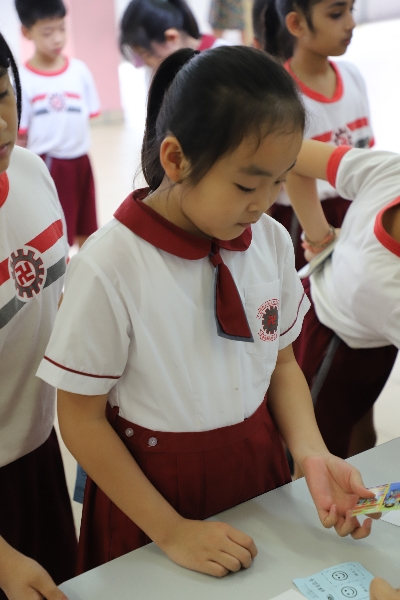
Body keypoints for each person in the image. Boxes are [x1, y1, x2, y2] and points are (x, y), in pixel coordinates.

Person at [38, 46, 376, 577]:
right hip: (154, 494)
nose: (263, 203)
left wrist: (313, 454)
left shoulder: (269, 240)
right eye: (246, 184)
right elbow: (80, 419)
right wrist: (172, 531)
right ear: (176, 159)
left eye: (280, 180)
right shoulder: (110, 265)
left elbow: (282, 364)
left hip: (256, 464)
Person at [0, 32, 75, 599]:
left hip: (38, 448)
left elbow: (56, 295)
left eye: (2, 95)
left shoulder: (28, 169)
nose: (1, 123)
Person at [284, 139, 400, 459]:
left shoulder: (391, 171)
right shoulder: (385, 288)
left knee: (360, 432)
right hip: (330, 342)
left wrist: (320, 237)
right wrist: (322, 238)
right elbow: (289, 153)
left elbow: (294, 154)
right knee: (317, 455)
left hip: (368, 334)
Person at [264, 0, 374, 270]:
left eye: (351, 10)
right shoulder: (280, 96)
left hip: (355, 209)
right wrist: (320, 238)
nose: (351, 23)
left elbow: (365, 158)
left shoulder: (352, 76)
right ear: (296, 24)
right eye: (336, 14)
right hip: (304, 222)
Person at [15, 0, 100, 248]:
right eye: (47, 32)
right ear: (26, 32)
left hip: (82, 161)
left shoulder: (80, 71)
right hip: (50, 165)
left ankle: (88, 266)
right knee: (57, 232)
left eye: (62, 28)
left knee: (87, 228)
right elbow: (21, 137)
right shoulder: (23, 79)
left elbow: (88, 116)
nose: (58, 38)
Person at [120, 0, 226, 71]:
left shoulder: (222, 57)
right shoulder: (161, 72)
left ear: (172, 38)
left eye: (148, 55)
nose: (147, 63)